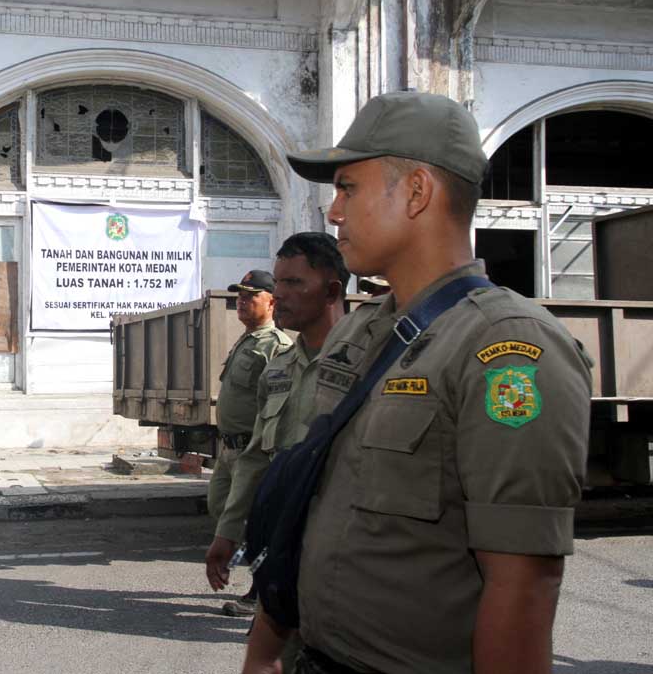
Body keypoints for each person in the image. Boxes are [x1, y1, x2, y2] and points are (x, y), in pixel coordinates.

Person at [242, 91, 592, 674]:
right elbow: (310, 504)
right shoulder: (362, 332)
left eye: (348, 188)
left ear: (417, 191)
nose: (333, 212)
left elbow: (522, 586)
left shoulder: (506, 350)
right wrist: (264, 649)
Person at [205, 234, 348, 600]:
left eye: (293, 282)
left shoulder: (366, 364)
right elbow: (256, 455)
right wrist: (228, 533)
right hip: (286, 547)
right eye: (279, 282)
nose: (280, 294)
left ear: (331, 292)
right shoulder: (280, 368)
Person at [210, 269, 292, 616]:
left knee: (258, 524)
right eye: (239, 296)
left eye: (250, 295)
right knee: (221, 511)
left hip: (252, 451)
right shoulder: (247, 340)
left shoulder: (277, 346)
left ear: (272, 301)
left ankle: (262, 593)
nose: (241, 301)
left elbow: (277, 408)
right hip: (228, 450)